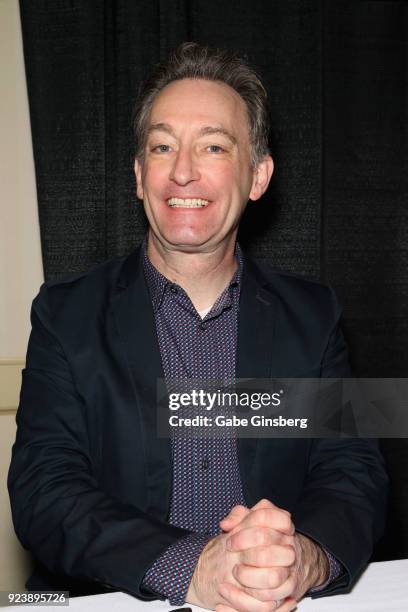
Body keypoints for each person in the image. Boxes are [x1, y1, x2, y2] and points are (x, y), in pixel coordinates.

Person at [8, 42, 387, 612]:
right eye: (162, 147)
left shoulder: (314, 316)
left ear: (257, 176)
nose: (183, 171)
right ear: (139, 176)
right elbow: (44, 490)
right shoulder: (66, 315)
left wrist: (304, 557)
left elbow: (353, 474)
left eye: (213, 145)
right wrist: (193, 569)